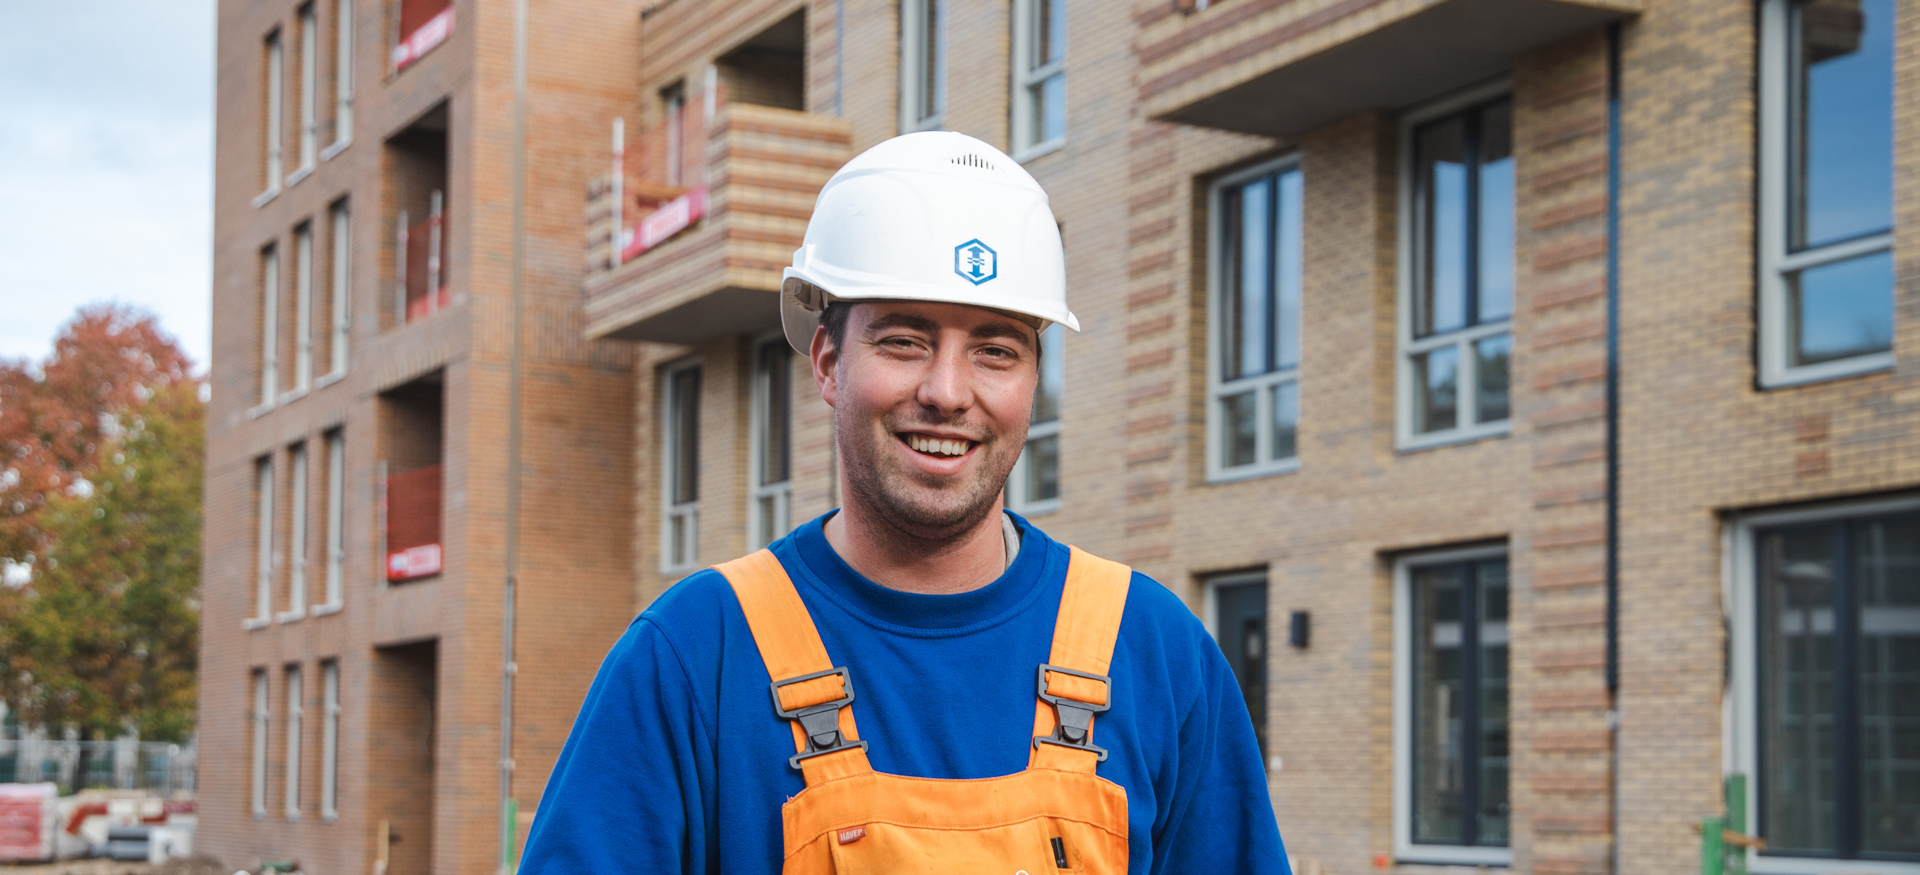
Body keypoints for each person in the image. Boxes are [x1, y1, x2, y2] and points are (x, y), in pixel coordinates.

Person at [518, 131, 1288, 873]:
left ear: (1032, 381)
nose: (947, 392)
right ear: (828, 362)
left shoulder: (1156, 653)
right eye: (904, 341)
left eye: (995, 350)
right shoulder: (695, 656)